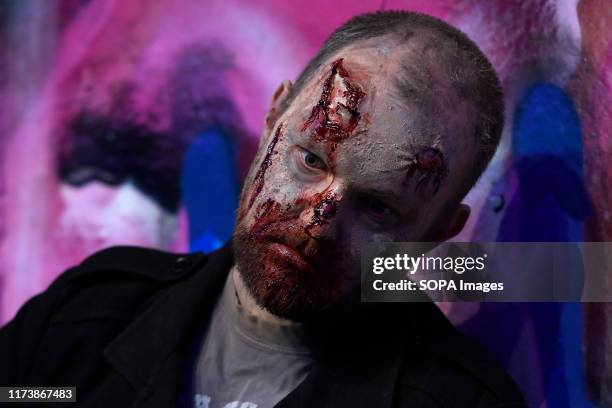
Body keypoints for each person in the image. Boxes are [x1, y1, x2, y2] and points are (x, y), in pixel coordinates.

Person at [0, 11, 526, 408]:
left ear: (437, 232)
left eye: (378, 207)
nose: (316, 223)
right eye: (310, 159)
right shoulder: (81, 322)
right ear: (274, 115)